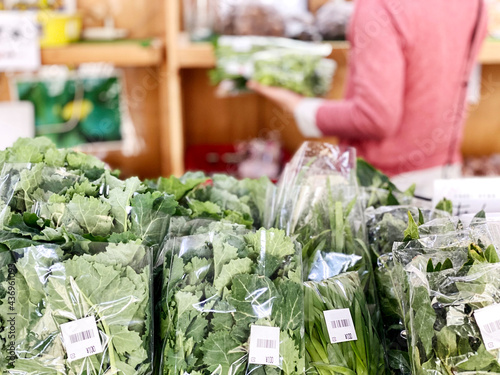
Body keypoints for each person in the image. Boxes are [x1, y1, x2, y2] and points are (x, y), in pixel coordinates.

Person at [248, 0, 488, 198]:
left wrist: (299, 105)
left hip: (382, 189)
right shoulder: (474, 4)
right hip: (445, 178)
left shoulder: (378, 8)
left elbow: (375, 118)